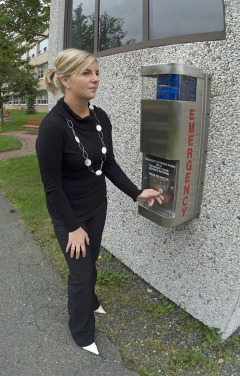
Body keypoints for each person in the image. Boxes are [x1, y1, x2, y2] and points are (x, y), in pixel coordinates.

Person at [36, 48, 163, 356]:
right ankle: (81, 332)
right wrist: (73, 227)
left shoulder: (99, 117)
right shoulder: (52, 127)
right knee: (80, 273)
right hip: (69, 212)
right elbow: (51, 187)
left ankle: (91, 301)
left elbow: (108, 164)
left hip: (97, 205)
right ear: (66, 80)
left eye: (97, 73)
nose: (95, 80)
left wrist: (136, 192)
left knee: (90, 261)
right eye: (87, 73)